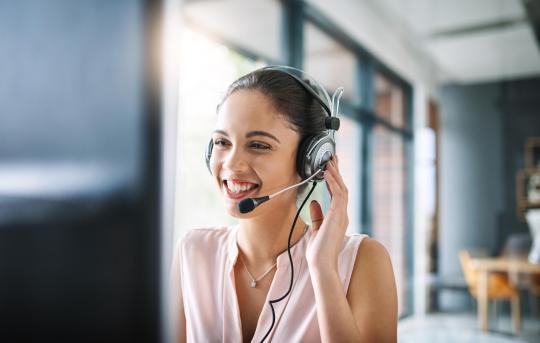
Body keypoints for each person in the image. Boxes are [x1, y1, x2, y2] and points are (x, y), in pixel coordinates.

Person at [170, 66, 397, 342]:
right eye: (222, 142)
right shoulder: (193, 252)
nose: (231, 163)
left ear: (312, 160)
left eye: (258, 145)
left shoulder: (363, 260)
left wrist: (323, 270)